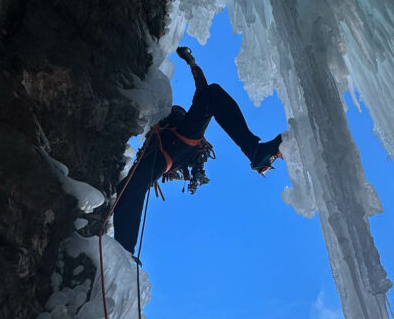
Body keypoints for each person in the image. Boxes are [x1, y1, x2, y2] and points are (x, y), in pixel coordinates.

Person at [113, 47, 283, 254]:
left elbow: (203, 90)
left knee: (212, 95)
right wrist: (191, 63)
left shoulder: (177, 123)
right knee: (128, 188)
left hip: (175, 146)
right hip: (171, 150)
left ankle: (124, 251)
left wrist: (192, 64)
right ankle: (123, 253)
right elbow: (203, 91)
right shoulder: (176, 123)